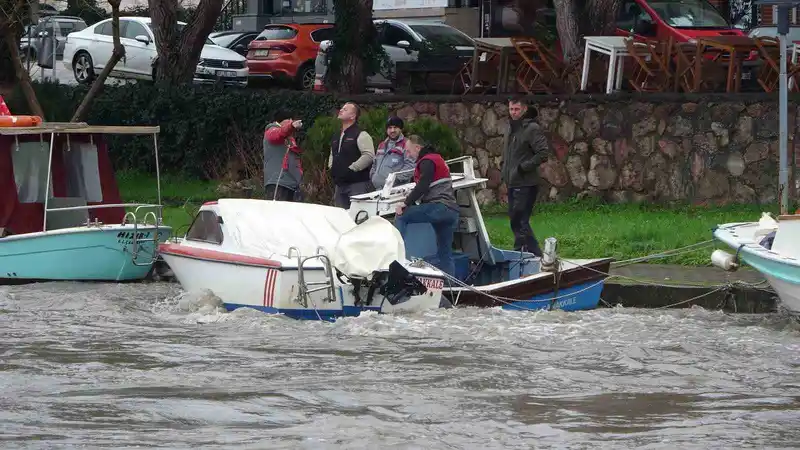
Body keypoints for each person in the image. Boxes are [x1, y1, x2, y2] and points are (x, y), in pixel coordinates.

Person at [394, 136, 460, 276]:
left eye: (409, 151)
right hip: (451, 211)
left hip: (439, 207)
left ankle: (396, 256)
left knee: (401, 215)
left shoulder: (427, 161)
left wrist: (405, 203)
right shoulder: (438, 159)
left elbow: (423, 185)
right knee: (445, 254)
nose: (409, 155)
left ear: (418, 148)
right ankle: (451, 288)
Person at [501, 98, 549, 257]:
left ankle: (520, 253)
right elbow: (508, 154)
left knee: (520, 220)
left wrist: (523, 167)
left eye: (516, 109)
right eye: (511, 109)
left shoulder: (532, 128)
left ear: (524, 109)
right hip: (512, 181)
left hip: (526, 182)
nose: (513, 112)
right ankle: (535, 254)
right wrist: (504, 170)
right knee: (515, 219)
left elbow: (543, 153)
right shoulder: (510, 128)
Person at [328, 102, 376, 209]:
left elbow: (369, 155)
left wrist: (353, 168)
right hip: (339, 184)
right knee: (340, 216)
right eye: (341, 108)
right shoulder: (336, 135)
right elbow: (332, 153)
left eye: (345, 109)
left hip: (357, 184)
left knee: (357, 215)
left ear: (353, 116)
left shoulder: (361, 134)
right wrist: (331, 167)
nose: (341, 110)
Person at [263, 109, 303, 201]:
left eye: (292, 120)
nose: (291, 122)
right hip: (278, 183)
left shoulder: (289, 137)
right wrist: (291, 126)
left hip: (292, 184)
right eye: (289, 120)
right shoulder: (271, 130)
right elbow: (278, 134)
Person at [370, 116, 416, 189]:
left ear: (401, 129)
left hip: (396, 191)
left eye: (395, 127)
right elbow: (374, 164)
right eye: (389, 128)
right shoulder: (381, 145)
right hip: (378, 190)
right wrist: (373, 176)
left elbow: (411, 167)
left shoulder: (407, 144)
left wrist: (393, 180)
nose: (392, 130)